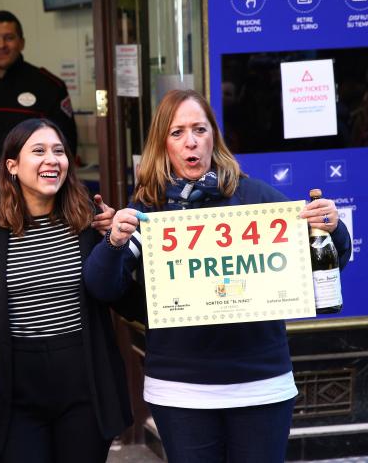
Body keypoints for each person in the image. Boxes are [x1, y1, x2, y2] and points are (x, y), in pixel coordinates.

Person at [83, 89, 352, 463]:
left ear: (214, 137)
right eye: (177, 133)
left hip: (261, 386)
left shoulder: (255, 197)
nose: (190, 141)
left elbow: (330, 258)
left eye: (199, 129)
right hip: (180, 391)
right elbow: (102, 287)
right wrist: (114, 242)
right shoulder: (148, 209)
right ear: (163, 144)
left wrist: (332, 227)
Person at [0, 118, 131, 463]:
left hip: (83, 382)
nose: (52, 159)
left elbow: (113, 292)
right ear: (12, 166)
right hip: (16, 387)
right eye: (39, 151)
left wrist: (114, 244)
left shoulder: (89, 220)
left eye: (59, 151)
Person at [0, 10, 77, 194]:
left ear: (22, 42)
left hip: (33, 197)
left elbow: (66, 146)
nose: (1, 45)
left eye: (9, 38)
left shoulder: (48, 86)